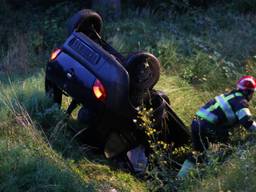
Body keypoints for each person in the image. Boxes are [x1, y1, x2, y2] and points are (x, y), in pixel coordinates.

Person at [177, 75, 256, 177]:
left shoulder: (228, 95)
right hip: (208, 126)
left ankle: (179, 178)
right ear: (249, 92)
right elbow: (247, 122)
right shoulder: (241, 101)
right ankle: (214, 175)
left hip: (196, 123)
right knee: (228, 148)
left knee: (197, 152)